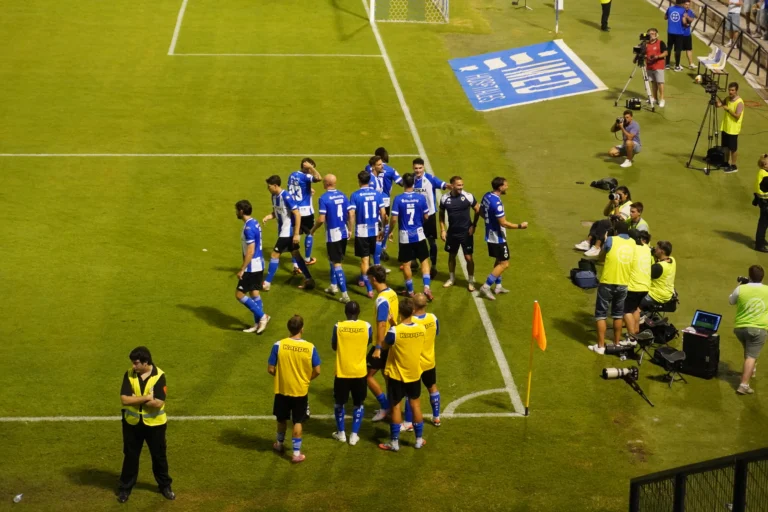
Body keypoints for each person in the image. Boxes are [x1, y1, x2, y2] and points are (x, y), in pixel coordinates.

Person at [118, 346, 174, 503]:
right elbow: (124, 400)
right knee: (130, 456)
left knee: (159, 457)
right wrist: (146, 397)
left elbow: (158, 403)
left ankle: (165, 486)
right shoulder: (129, 374)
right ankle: (125, 488)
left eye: (136, 363)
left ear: (145, 362)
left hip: (155, 425)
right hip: (132, 424)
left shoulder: (159, 376)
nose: (133, 366)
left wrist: (136, 398)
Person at [373, 298, 427, 451]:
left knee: (396, 408)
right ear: (413, 311)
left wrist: (392, 325)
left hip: (397, 376)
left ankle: (394, 443)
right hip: (414, 374)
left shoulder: (394, 331)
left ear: (400, 313)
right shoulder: (421, 329)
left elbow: (385, 344)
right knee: (415, 406)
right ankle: (418, 440)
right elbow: (407, 336)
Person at [268, 315, 321, 463]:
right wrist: (306, 379)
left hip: (282, 389)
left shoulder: (278, 345)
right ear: (302, 329)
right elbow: (317, 370)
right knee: (298, 421)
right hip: (300, 391)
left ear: (289, 328)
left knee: (281, 419)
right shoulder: (310, 347)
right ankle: (296, 454)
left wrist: (282, 376)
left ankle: (279, 444)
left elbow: (271, 369)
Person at [473, 177, 528, 301]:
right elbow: (503, 223)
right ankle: (486, 286)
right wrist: (520, 226)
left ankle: (498, 286)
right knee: (504, 263)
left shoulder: (487, 195)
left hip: (490, 234)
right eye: (505, 185)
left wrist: (489, 222)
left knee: (499, 261)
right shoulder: (496, 204)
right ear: (500, 187)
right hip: (497, 237)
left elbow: (481, 211)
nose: (507, 187)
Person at [262, 175, 314, 291]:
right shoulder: (274, 196)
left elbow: (297, 213)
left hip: (288, 232)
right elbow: (277, 211)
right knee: (296, 254)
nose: (268, 188)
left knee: (275, 254)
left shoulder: (286, 196)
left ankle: (267, 283)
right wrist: (269, 216)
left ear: (275, 186)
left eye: (269, 186)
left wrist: (296, 234)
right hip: (283, 232)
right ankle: (309, 279)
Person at [589, 221, 634, 354]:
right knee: (618, 315)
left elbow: (601, 257)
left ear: (615, 231)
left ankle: (601, 346)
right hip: (623, 284)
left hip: (607, 282)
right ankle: (616, 343)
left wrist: (605, 241)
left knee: (601, 315)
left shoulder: (610, 240)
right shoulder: (632, 243)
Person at [331, 301, 372, 445]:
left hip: (342, 371)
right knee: (358, 403)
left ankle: (341, 433)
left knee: (339, 403)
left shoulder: (338, 326)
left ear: (345, 312)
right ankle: (354, 435)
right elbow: (368, 341)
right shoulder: (367, 326)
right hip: (360, 372)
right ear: (359, 312)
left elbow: (334, 346)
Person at [389, 172, 434, 300]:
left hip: (405, 237)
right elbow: (426, 216)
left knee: (407, 264)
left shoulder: (398, 199)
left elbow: (393, 219)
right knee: (424, 261)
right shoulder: (420, 198)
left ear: (403, 183)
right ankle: (426, 288)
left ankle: (410, 291)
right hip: (419, 235)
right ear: (413, 183)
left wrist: (390, 231)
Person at [310, 174, 352, 303]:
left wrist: (312, 230)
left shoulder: (324, 198)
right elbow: (350, 213)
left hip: (333, 235)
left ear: (327, 183)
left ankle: (345, 295)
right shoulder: (343, 195)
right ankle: (333, 286)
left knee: (337, 263)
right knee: (333, 259)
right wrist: (350, 229)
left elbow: (321, 219)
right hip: (344, 232)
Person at [402, 293, 441, 430]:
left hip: (415, 363)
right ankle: (436, 417)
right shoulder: (433, 318)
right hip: (429, 361)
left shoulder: (410, 322)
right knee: (432, 388)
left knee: (410, 394)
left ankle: (408, 423)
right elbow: (436, 333)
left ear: (413, 305)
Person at [365, 265, 398, 422]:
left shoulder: (382, 299)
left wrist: (378, 347)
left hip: (382, 344)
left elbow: (382, 324)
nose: (368, 281)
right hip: (392, 341)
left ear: (374, 279)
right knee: (387, 376)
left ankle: (385, 407)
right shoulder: (392, 293)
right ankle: (392, 409)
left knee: (367, 376)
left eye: (369, 278)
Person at [729, 265, 768, 394]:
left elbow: (731, 301)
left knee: (749, 350)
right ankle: (743, 385)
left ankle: (752, 370)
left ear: (750, 276)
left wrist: (741, 284)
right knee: (751, 355)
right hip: (758, 329)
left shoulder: (741, 289)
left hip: (740, 329)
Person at [349, 170, 388, 298]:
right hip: (375, 230)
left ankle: (370, 289)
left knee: (365, 260)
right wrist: (384, 229)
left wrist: (350, 228)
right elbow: (383, 214)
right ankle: (380, 286)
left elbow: (352, 214)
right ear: (370, 181)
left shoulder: (355, 195)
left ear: (359, 181)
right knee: (375, 258)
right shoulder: (377, 195)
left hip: (362, 231)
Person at [412, 158, 452, 278]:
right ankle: (414, 261)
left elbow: (444, 185)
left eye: (420, 168)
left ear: (423, 167)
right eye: (416, 168)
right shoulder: (411, 180)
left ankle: (433, 266)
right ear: (413, 168)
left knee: (431, 241)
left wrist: (455, 187)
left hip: (429, 216)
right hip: (415, 216)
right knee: (415, 239)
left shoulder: (430, 179)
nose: (418, 170)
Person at [235, 200, 270, 334]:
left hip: (251, 267)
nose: (236, 212)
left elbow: (250, 250)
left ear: (241, 211)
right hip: (259, 264)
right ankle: (257, 323)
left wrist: (242, 269)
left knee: (239, 294)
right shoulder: (254, 222)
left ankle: (262, 316)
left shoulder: (248, 228)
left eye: (237, 210)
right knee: (254, 292)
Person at [439, 175, 480, 291]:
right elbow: (441, 215)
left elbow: (477, 209)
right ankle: (452, 278)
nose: (461, 187)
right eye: (458, 185)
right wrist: (442, 229)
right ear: (452, 185)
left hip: (466, 232)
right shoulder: (444, 198)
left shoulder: (468, 197)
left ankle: (471, 281)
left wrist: (474, 225)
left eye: (462, 185)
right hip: (452, 232)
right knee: (451, 255)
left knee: (468, 258)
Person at [575, 186, 633, 258]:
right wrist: (611, 202)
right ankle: (587, 243)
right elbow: (605, 213)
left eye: (620, 195)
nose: (618, 197)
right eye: (616, 194)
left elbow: (618, 220)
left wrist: (616, 205)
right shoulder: (618, 203)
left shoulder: (629, 205)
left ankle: (597, 248)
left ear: (626, 195)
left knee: (604, 222)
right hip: (611, 225)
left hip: (618, 230)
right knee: (598, 223)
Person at [366, 149, 403, 262]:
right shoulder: (391, 170)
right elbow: (401, 182)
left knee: (381, 226)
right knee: (384, 225)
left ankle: (378, 247)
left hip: (372, 201)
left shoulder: (368, 168)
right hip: (384, 201)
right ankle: (381, 247)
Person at [287, 158, 322, 273]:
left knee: (295, 237)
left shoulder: (292, 175)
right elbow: (318, 178)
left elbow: (294, 189)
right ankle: (307, 258)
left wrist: (307, 189)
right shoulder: (306, 176)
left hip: (294, 211)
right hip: (306, 212)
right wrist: (311, 168)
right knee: (310, 233)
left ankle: (295, 265)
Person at [622, 230, 653, 339]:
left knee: (625, 311)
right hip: (645, 287)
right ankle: (636, 332)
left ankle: (631, 338)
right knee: (635, 309)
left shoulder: (632, 249)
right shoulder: (646, 248)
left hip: (633, 287)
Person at [640, 240, 677, 311]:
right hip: (668, 294)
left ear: (662, 251)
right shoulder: (672, 260)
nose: (655, 249)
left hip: (655, 295)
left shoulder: (658, 267)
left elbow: (643, 276)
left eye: (657, 248)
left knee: (633, 303)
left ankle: (640, 317)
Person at [716, 82, 744, 173]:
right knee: (725, 147)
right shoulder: (727, 99)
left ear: (736, 91)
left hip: (733, 129)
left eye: (732, 90)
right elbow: (719, 105)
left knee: (733, 149)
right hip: (725, 127)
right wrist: (716, 101)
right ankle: (726, 163)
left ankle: (734, 165)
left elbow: (737, 116)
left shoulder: (739, 102)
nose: (730, 92)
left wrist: (728, 110)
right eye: (729, 90)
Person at [645, 29, 668, 107]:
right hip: (649, 66)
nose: (652, 35)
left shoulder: (660, 43)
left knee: (660, 83)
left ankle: (662, 99)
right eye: (650, 34)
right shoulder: (646, 44)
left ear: (656, 34)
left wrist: (657, 56)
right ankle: (654, 98)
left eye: (653, 33)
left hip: (658, 65)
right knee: (653, 83)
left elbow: (665, 53)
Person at [752, 154, 768, 252]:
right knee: (763, 223)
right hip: (766, 202)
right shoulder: (765, 176)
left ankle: (761, 240)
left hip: (763, 202)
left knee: (764, 223)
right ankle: (759, 245)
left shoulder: (763, 172)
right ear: (765, 165)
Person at [665, 2, 685, 71]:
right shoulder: (683, 10)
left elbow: (665, 17)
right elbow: (684, 21)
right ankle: (677, 66)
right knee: (678, 49)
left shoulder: (670, 8)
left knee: (669, 47)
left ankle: (667, 64)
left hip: (670, 32)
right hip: (679, 33)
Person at [680, 0, 697, 69]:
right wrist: (684, 18)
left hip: (687, 34)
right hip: (680, 33)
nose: (687, 6)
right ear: (683, 5)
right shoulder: (680, 11)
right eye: (686, 4)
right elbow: (683, 22)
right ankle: (678, 64)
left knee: (689, 49)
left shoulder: (691, 12)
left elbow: (691, 20)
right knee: (679, 49)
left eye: (688, 5)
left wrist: (686, 17)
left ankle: (691, 64)